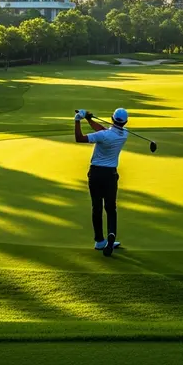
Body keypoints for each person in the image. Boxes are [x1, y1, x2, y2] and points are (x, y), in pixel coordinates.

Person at [74, 107, 128, 257]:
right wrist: (89, 119)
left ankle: (99, 240)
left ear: (112, 118)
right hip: (111, 175)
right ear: (125, 122)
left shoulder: (104, 135)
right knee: (111, 208)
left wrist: (78, 120)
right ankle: (111, 234)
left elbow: (79, 138)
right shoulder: (124, 134)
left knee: (96, 207)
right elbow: (104, 131)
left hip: (96, 174)